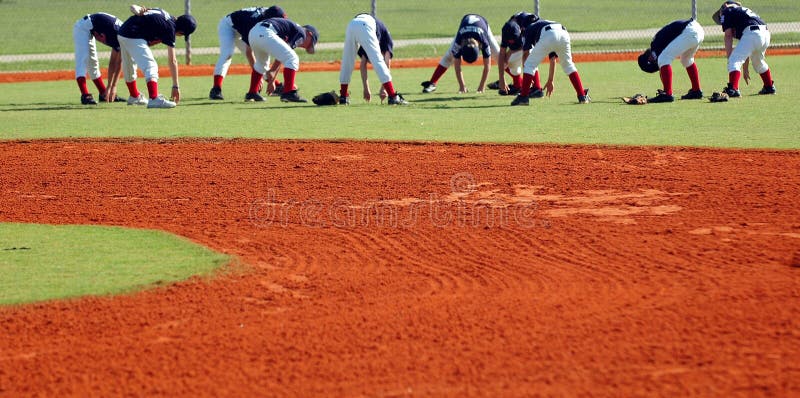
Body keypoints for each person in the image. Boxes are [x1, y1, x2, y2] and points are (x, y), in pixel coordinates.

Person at [118, 5, 197, 109]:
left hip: (123, 32)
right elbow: (172, 60)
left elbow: (142, 10)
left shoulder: (164, 13)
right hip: (133, 35)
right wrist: (175, 86)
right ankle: (154, 98)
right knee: (151, 66)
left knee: (129, 65)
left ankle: (134, 96)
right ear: (181, 32)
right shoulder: (170, 28)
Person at [209, 5, 287, 100]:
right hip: (229, 26)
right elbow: (249, 52)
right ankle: (216, 89)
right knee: (227, 54)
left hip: (242, 26)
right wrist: (258, 78)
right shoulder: (254, 22)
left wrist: (271, 79)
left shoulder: (273, 16)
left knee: (262, 57)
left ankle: (276, 85)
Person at [510, 17, 590, 106]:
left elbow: (526, 54)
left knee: (529, 65)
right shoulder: (542, 23)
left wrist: (527, 77)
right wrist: (550, 80)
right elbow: (553, 59)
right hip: (563, 33)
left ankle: (523, 97)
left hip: (548, 33)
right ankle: (582, 95)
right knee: (568, 65)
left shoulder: (528, 29)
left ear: (523, 27)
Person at [338, 13, 408, 105]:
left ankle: (343, 96)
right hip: (366, 24)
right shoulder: (386, 39)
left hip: (351, 25)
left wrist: (366, 89)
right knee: (378, 60)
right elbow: (386, 63)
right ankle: (393, 96)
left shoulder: (374, 35)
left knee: (347, 61)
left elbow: (363, 63)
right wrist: (384, 89)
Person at [420, 14, 500, 94]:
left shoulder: (484, 41)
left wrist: (481, 87)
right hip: (464, 29)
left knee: (498, 55)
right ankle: (432, 83)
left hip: (483, 24)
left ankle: (511, 82)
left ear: (479, 47)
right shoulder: (459, 41)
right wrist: (462, 86)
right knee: (448, 56)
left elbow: (487, 66)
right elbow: (457, 67)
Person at [245, 17, 317, 103]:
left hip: (253, 33)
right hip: (265, 32)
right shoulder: (302, 33)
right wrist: (272, 72)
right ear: (310, 33)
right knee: (292, 58)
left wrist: (272, 78)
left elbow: (281, 56)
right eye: (310, 43)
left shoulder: (292, 28)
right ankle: (289, 93)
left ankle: (252, 93)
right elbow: (284, 57)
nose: (305, 47)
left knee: (261, 64)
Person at [712, 1, 775, 97]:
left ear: (724, 7)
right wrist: (745, 68)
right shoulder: (742, 13)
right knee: (758, 62)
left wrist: (730, 59)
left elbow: (728, 35)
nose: (721, 19)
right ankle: (769, 86)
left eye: (720, 16)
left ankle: (733, 89)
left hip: (752, 33)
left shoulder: (727, 10)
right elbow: (746, 45)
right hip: (765, 34)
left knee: (734, 60)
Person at [637, 19, 705, 102]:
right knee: (686, 59)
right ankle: (696, 90)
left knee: (664, 59)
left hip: (689, 31)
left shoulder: (655, 47)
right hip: (698, 29)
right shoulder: (655, 44)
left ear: (650, 60)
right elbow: (662, 67)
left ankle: (667, 94)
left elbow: (662, 63)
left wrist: (665, 89)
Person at [72, 13, 129, 105]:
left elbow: (119, 62)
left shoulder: (125, 35)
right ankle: (85, 95)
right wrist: (111, 86)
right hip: (82, 28)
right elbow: (113, 62)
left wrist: (112, 86)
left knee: (93, 63)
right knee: (83, 60)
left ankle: (104, 93)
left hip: (91, 29)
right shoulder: (120, 35)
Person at [491, 12, 544, 98]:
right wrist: (501, 78)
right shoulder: (508, 28)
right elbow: (502, 53)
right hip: (531, 39)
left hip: (544, 38)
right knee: (507, 60)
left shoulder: (527, 25)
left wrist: (527, 75)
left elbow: (526, 51)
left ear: (520, 30)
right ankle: (518, 85)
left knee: (528, 53)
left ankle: (537, 88)